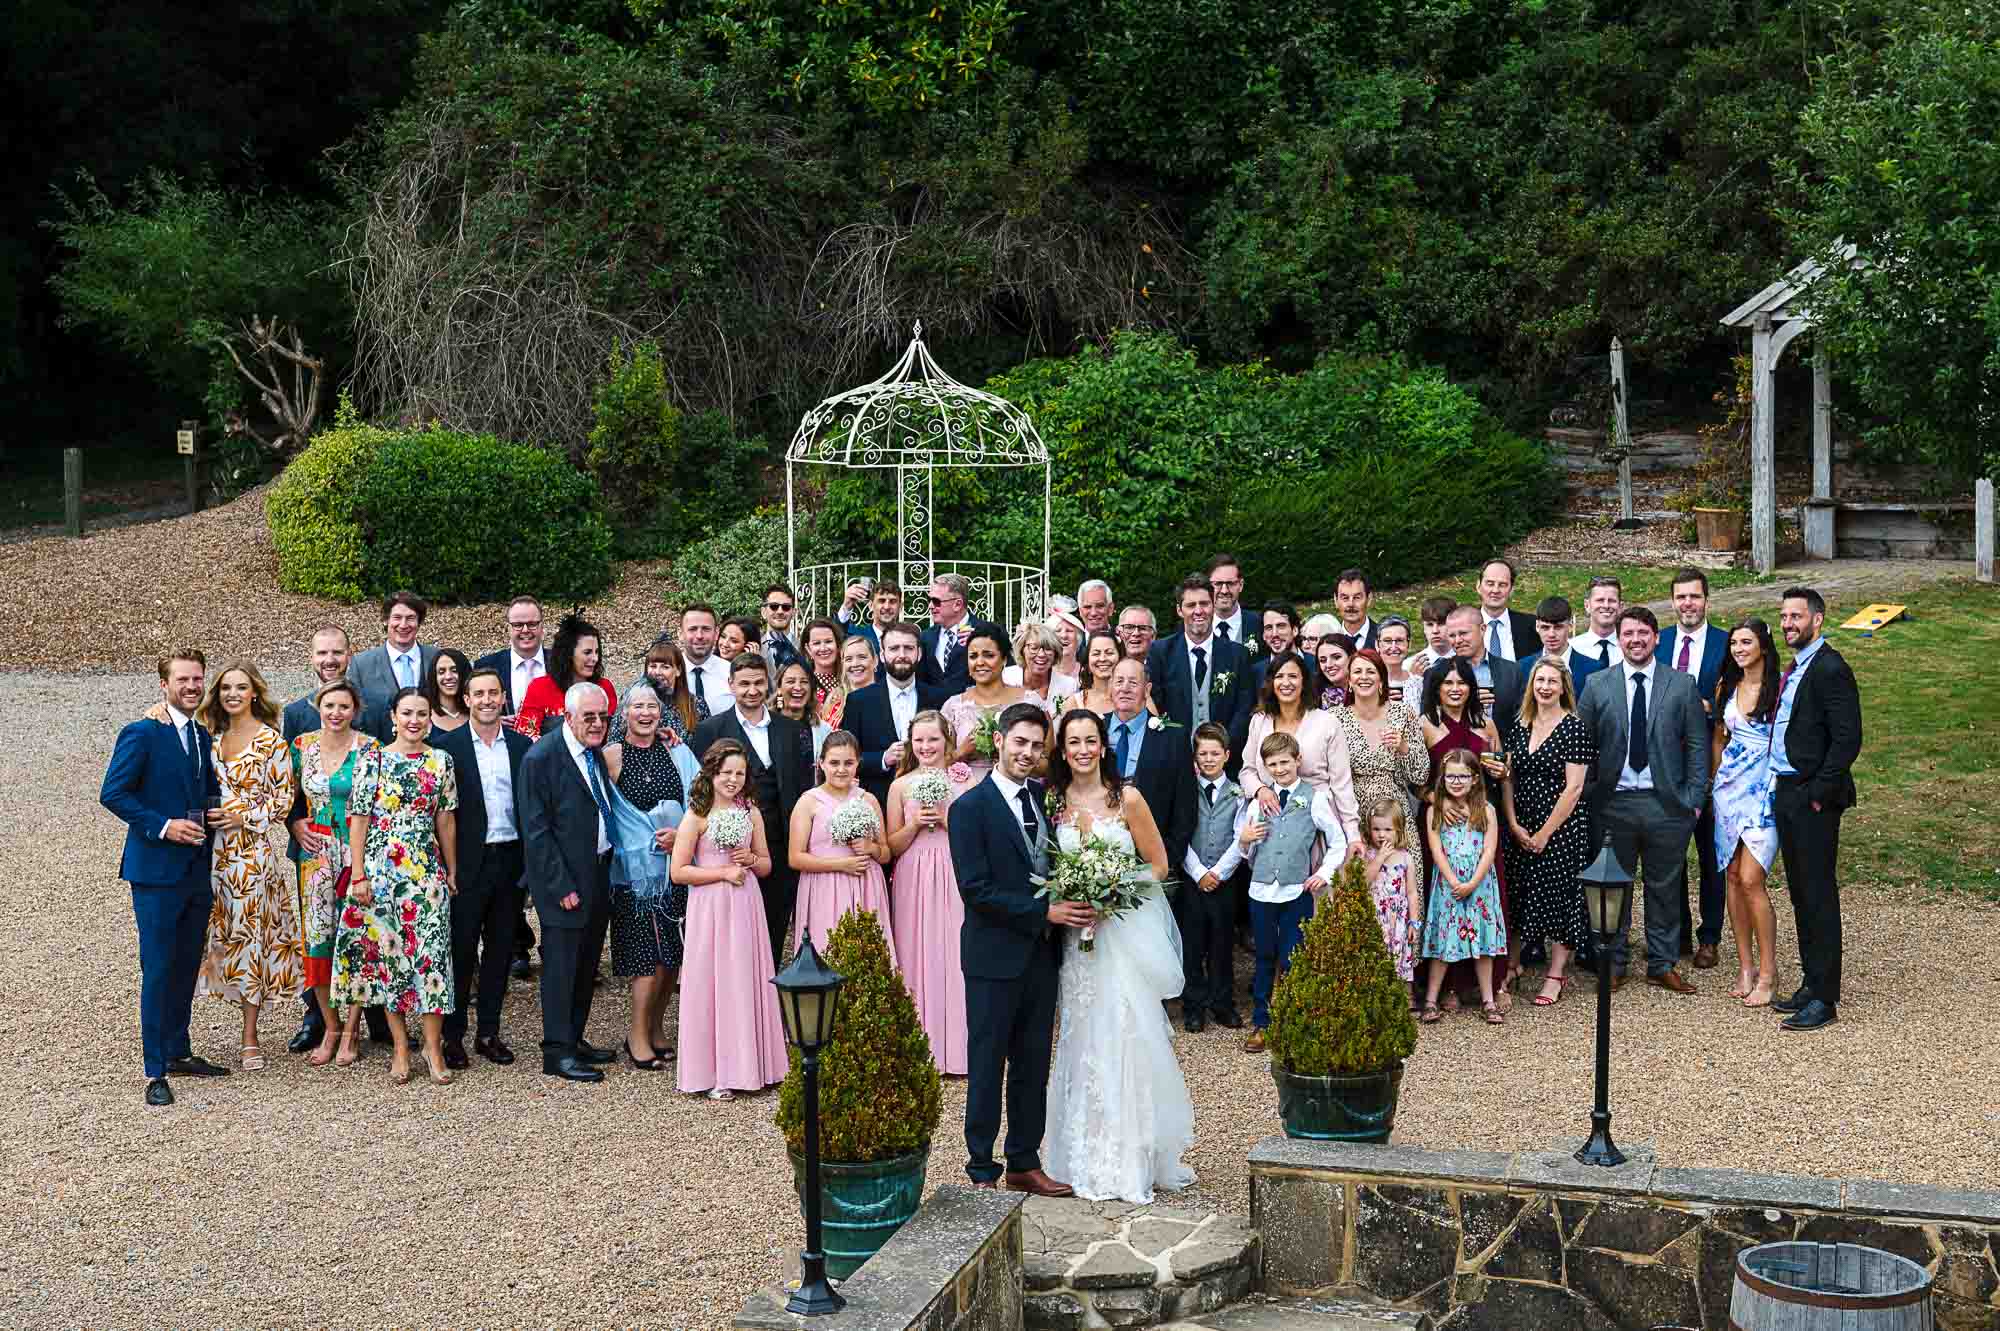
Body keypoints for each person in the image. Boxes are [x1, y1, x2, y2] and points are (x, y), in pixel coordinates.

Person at [1042, 707, 1195, 1203]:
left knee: (1124, 1031)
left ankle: (1129, 1158)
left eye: (1091, 740)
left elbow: (1158, 864)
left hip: (1118, 935)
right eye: (1073, 742)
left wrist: (1113, 892)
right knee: (1080, 1035)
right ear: (1062, 750)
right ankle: (1077, 1155)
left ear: (1104, 745)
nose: (1083, 750)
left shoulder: (1126, 797)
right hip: (1076, 940)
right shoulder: (1052, 801)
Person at [950, 702, 1079, 1197]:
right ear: (998, 741)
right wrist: (1041, 912)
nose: (1027, 753)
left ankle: (1025, 1159)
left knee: (1032, 1064)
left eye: (1036, 745)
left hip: (1041, 958)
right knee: (987, 1064)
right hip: (991, 957)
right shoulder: (969, 808)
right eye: (1019, 742)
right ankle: (982, 1168)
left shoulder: (1044, 800)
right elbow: (975, 889)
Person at [101, 650, 230, 1106]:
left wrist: (214, 808)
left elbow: (199, 789)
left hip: (197, 868)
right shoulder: (141, 732)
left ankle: (178, 1050)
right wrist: (164, 825)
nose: (192, 686)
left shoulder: (199, 734)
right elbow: (113, 793)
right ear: (164, 684)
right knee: (157, 968)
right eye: (182, 680)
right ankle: (154, 1070)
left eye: (197, 679)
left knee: (184, 964)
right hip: (155, 871)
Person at [1574, 606, 1710, 995]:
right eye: (1628, 633)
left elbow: (1698, 748)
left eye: (1643, 633)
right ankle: (1613, 963)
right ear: (1619, 639)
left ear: (1656, 638)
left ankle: (1662, 963)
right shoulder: (1598, 684)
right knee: (1612, 887)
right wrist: (1589, 794)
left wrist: (1693, 800)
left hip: (1667, 804)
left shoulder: (1680, 684)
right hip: (1612, 804)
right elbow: (1583, 745)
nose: (1636, 640)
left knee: (1664, 885)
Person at [338, 689, 459, 1085]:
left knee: (432, 958)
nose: (414, 720)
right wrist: (358, 874)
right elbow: (358, 819)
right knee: (391, 960)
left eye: (422, 714)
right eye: (406, 712)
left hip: (425, 873)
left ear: (430, 718)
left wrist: (451, 869)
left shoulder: (441, 761)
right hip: (381, 873)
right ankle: (401, 1047)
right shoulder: (370, 759)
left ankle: (433, 1047)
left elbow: (446, 820)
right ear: (393, 716)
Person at [278, 623, 385, 1053]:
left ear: (349, 654)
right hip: (315, 848)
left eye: (337, 653)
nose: (329, 660)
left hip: (359, 848)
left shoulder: (373, 721)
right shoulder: (297, 722)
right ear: (312, 658)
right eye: (321, 653)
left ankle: (365, 1023)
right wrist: (292, 822)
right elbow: (284, 787)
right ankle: (323, 1023)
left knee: (361, 935)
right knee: (318, 939)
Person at [192, 661, 303, 1070]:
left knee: (250, 939)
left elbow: (283, 802)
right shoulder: (211, 739)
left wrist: (242, 815)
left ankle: (250, 1036)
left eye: (241, 687)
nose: (232, 694)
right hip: (207, 851)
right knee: (209, 935)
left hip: (249, 857)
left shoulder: (271, 742)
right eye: (225, 688)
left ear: (255, 692)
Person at [671, 740, 789, 1099]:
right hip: (710, 905)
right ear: (711, 773)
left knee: (744, 976)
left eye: (739, 773)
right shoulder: (697, 815)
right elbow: (678, 871)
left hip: (745, 902)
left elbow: (768, 864)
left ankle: (756, 1065)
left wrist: (751, 860)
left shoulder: (750, 812)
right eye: (726, 773)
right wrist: (722, 873)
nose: (733, 780)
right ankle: (714, 1070)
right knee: (713, 980)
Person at [1769, 587, 1862, 1032]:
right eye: (1784, 616)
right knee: (1801, 893)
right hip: (1788, 791)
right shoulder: (1798, 666)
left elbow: (1848, 739)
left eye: (1796, 616)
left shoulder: (1830, 669)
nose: (1788, 623)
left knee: (1819, 896)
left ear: (1818, 620)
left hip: (1812, 799)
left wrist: (1818, 792)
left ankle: (1825, 998)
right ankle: (1811, 981)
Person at [518, 682, 619, 1083]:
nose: (597, 724)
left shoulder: (593, 753)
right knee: (561, 968)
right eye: (589, 717)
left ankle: (575, 1037)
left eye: (603, 717)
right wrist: (561, 887)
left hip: (597, 873)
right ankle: (556, 1052)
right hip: (562, 882)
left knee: (586, 963)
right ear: (567, 716)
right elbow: (536, 831)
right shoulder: (541, 758)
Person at [434, 668, 532, 1069]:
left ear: (503, 698)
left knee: (500, 949)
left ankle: (488, 1031)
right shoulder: (447, 747)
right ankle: (452, 1035)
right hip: (467, 861)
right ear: (468, 700)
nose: (488, 700)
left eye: (494, 693)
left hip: (510, 858)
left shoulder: (523, 746)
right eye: (479, 693)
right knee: (459, 949)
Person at [690, 653, 814, 963]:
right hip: (729, 852)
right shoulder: (711, 730)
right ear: (730, 685)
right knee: (731, 939)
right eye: (744, 683)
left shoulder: (792, 729)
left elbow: (802, 788)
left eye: (759, 683)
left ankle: (766, 1005)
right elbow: (700, 787)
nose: (752, 690)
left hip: (779, 849)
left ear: (768, 685)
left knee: (772, 934)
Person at [1236, 730, 1349, 1051]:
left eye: (1285, 762)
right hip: (1260, 891)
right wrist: (1245, 840)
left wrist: (1324, 873)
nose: (1280, 769)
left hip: (1295, 892)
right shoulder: (1259, 802)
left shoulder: (1315, 798)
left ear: (1298, 760)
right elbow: (1245, 851)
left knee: (1293, 957)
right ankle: (1261, 1023)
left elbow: (1337, 841)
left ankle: (1296, 1021)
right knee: (1264, 958)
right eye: (1272, 764)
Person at [603, 683, 694, 1070]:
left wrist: (683, 835)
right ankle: (636, 1034)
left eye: (652, 707)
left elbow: (700, 798)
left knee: (671, 956)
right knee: (645, 959)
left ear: (662, 714)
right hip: (635, 876)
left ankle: (656, 1028)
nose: (645, 713)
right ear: (624, 713)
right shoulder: (611, 756)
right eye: (637, 706)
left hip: (674, 867)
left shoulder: (675, 751)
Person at [1102, 657, 1200, 1016]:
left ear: (1147, 690)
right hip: (1102, 852)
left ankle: (1150, 1005)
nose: (1125, 687)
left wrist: (1168, 856)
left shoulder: (1172, 736)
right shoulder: (1093, 732)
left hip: (1153, 860)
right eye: (1119, 681)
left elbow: (1185, 804)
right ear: (1109, 687)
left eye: (1134, 681)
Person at [1500, 656, 1595, 1007]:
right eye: (1540, 680)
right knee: (1519, 894)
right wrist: (1512, 822)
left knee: (1559, 897)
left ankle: (1556, 974)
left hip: (1561, 827)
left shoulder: (1573, 728)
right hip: (1520, 822)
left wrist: (1543, 834)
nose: (1545, 687)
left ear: (1563, 687)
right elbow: (1508, 776)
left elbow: (1574, 789)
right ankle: (1512, 964)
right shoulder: (1520, 724)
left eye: (1552, 681)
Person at [1418, 657, 1510, 1007]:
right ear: (1437, 688)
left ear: (1471, 687)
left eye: (1462, 682)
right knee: (1444, 904)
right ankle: (1447, 987)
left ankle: (1486, 985)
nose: (1455, 689)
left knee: (1485, 901)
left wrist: (1501, 772)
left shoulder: (1485, 724)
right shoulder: (1426, 724)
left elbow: (1501, 771)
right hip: (1442, 824)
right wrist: (1435, 802)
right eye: (1448, 683)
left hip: (1480, 821)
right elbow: (1416, 779)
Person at [887, 711, 975, 1074]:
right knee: (915, 948)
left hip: (954, 867)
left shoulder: (963, 779)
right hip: (913, 869)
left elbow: (975, 838)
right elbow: (890, 846)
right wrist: (913, 825)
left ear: (946, 741)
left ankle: (959, 1048)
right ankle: (917, 1048)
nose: (925, 747)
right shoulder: (899, 786)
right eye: (919, 740)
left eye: (933, 739)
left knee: (955, 949)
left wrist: (944, 820)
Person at [1656, 568, 1731, 970]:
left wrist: (1708, 708)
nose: (1688, 604)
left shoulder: (1726, 644)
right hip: (1667, 767)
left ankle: (1710, 936)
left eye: (1695, 597)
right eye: (1681, 597)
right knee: (1670, 856)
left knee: (1709, 855)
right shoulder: (1659, 642)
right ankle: (1678, 932)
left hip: (1710, 765)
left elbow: (1742, 703)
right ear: (1673, 602)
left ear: (1706, 600)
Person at [1711, 619, 1782, 1007]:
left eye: (1746, 642)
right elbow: (1719, 739)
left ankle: (1769, 972)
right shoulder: (1727, 687)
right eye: (1734, 643)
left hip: (1765, 792)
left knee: (1753, 878)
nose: (1739, 649)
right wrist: (1716, 782)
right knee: (1733, 877)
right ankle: (1745, 966)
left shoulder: (1779, 689)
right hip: (1729, 791)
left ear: (1763, 647)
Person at [789, 729, 895, 959]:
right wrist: (841, 864)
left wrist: (872, 848)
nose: (841, 769)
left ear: (858, 763)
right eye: (834, 762)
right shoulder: (808, 802)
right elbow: (795, 857)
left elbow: (886, 853)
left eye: (848, 763)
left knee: (867, 957)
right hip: (824, 886)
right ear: (821, 764)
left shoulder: (868, 799)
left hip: (866, 885)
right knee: (829, 952)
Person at [1419, 750, 1507, 1024]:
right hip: (1448, 885)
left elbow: (1489, 850)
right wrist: (1455, 881)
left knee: (1482, 944)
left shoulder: (1487, 810)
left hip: (1480, 886)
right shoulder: (1435, 810)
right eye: (1451, 776)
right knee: (1443, 943)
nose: (1456, 782)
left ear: (1475, 779)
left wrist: (1472, 882)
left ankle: (1488, 1000)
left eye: (1463, 776)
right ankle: (1431, 1000)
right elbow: (1436, 850)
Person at [1240, 651, 1363, 845]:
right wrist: (1261, 790)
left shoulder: (1327, 723)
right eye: (1279, 676)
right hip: (1270, 824)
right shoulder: (1259, 721)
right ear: (1271, 682)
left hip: (1316, 825)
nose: (1286, 682)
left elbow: (1342, 784)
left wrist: (1353, 835)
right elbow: (1247, 771)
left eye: (1293, 676)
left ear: (1304, 681)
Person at [1337, 649, 1430, 868]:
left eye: (1371, 671)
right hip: (1354, 816)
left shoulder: (1402, 713)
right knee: (1361, 890)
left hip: (1396, 815)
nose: (1364, 677)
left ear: (1381, 679)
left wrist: (1403, 747)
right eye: (1357, 671)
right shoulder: (1335, 718)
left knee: (1401, 890)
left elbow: (1421, 774)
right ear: (1349, 680)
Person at [1180, 722, 1246, 1031]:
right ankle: (1194, 1005)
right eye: (1202, 753)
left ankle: (1222, 1003)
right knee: (1192, 944)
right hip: (1192, 878)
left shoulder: (1238, 793)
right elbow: (1179, 834)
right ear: (1194, 757)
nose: (1208, 759)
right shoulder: (1185, 790)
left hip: (1224, 879)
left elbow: (1241, 838)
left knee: (1222, 942)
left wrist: (1218, 872)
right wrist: (1197, 872)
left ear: (1227, 755)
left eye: (1214, 753)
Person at [845, 622, 949, 809]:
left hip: (932, 805)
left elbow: (949, 750)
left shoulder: (939, 698)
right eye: (894, 648)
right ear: (883, 655)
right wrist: (883, 759)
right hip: (877, 803)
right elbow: (848, 757)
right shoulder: (858, 701)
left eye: (908, 648)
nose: (901, 655)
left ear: (919, 654)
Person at [1147, 574, 1252, 757]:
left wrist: (1223, 751)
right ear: (1179, 610)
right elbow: (1156, 705)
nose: (1198, 611)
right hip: (1175, 757)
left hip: (1226, 760)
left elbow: (1243, 710)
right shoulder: (1161, 652)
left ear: (1213, 606)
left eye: (1204, 604)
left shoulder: (1237, 654)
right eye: (1190, 605)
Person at [942, 626, 1049, 784]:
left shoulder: (1030, 702)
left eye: (989, 655)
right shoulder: (953, 706)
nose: (979, 662)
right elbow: (936, 764)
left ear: (1004, 659)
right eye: (973, 656)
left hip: (1018, 789)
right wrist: (962, 752)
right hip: (966, 793)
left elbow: (1047, 765)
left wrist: (1008, 753)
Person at [515, 610, 618, 739]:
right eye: (587, 652)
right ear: (568, 654)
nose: (595, 658)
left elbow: (614, 735)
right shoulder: (540, 688)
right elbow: (525, 735)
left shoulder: (604, 687)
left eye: (597, 652)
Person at [1360, 801, 1422, 1004]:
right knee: (1375, 957)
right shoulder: (1367, 854)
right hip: (1375, 918)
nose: (1381, 835)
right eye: (1376, 829)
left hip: (1398, 921)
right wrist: (1379, 858)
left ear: (1398, 831)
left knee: (1399, 955)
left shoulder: (1405, 858)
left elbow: (1412, 892)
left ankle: (1403, 998)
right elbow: (1363, 882)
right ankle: (1375, 999)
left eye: (1388, 829)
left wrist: (1414, 922)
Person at [347, 590, 441, 714]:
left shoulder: (438, 658)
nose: (403, 625)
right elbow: (354, 712)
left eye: (410, 618)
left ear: (419, 622)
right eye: (397, 617)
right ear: (386, 620)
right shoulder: (362, 664)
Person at [1435, 605, 1526, 724]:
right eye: (1452, 635)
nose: (1457, 640)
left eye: (1463, 633)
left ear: (1483, 629)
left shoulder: (1513, 671)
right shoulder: (1436, 673)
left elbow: (1524, 718)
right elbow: (1428, 720)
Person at [920, 573, 1005, 693]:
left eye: (936, 601)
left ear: (958, 604)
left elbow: (1007, 674)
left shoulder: (989, 632)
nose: (930, 606)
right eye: (930, 600)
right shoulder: (925, 637)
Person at [611, 636, 699, 745]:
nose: (657, 672)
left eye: (665, 667)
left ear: (678, 670)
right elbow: (614, 739)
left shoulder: (695, 704)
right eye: (653, 666)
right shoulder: (631, 699)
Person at [473, 595, 548, 716]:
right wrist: (495, 721)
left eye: (532, 624)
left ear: (542, 626)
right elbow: (473, 710)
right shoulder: (486, 666)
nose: (525, 630)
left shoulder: (562, 662)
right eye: (518, 625)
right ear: (508, 628)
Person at [1474, 558, 1537, 661]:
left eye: (1502, 585)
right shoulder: (1462, 625)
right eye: (1490, 584)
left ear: (1511, 589)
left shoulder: (1532, 627)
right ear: (1478, 586)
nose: (1495, 590)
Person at [776, 659, 834, 771]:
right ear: (779, 688)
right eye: (790, 681)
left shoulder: (824, 730)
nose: (798, 687)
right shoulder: (766, 725)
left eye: (804, 682)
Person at [678, 603, 733, 718]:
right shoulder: (666, 673)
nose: (699, 636)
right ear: (680, 634)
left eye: (706, 629)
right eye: (692, 629)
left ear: (716, 633)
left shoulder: (731, 672)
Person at [1006, 621, 1079, 701]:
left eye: (1048, 649)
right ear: (1021, 651)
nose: (1041, 654)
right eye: (1034, 648)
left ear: (1055, 653)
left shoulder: (1068, 685)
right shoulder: (1006, 678)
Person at [1065, 630, 1127, 717]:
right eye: (1096, 654)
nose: (1102, 658)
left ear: (1120, 657)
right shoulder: (1074, 703)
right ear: (1088, 661)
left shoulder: (1133, 697)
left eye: (1109, 653)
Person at [1570, 577, 1623, 673]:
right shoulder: (1572, 648)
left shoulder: (1630, 649)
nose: (1606, 606)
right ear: (1587, 606)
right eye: (1600, 600)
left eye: (1612, 601)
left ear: (1620, 607)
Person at [800, 617, 848, 724]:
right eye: (817, 643)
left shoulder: (850, 682)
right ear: (808, 649)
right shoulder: (802, 685)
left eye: (828, 641)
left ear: (838, 645)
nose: (823, 648)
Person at [839, 578, 905, 654]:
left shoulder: (909, 639)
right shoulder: (856, 635)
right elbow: (837, 634)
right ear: (870, 605)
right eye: (881, 601)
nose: (887, 607)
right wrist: (847, 605)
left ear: (900, 607)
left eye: (892, 601)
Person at [422, 646, 472, 739]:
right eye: (441, 672)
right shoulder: (423, 716)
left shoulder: (476, 712)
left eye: (454, 670)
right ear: (434, 677)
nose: (448, 676)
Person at [1204, 553, 1251, 650]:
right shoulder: (1192, 627)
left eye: (1230, 583)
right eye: (1218, 584)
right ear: (1208, 586)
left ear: (1241, 585)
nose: (1224, 590)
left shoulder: (1259, 624)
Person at [1376, 616, 1421, 711]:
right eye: (1387, 641)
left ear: (1409, 644)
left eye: (1399, 641)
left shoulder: (1420, 685)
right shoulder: (1367, 683)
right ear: (1377, 645)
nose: (1393, 647)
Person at [1406, 596, 1458, 678]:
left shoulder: (1469, 662)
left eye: (1441, 624)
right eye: (1429, 624)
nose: (1435, 631)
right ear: (1424, 628)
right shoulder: (1409, 666)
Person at [759, 582, 804, 675]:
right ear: (763, 612)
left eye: (786, 607)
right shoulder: (753, 649)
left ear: (794, 612)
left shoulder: (805, 651)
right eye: (774, 606)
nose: (780, 611)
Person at [1333, 569, 1379, 650]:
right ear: (1336, 600)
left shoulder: (1382, 637)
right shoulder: (1329, 638)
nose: (1351, 604)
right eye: (1345, 598)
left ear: (1369, 599)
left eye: (1357, 597)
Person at [1047, 606, 1086, 686]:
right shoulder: (1041, 673)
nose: (1064, 635)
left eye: (1069, 631)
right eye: (1058, 631)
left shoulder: (1087, 674)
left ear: (1078, 638)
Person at [1314, 634, 1355, 709]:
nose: (1329, 665)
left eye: (1336, 657)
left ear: (1351, 658)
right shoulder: (1313, 697)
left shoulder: (1367, 690)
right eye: (1323, 660)